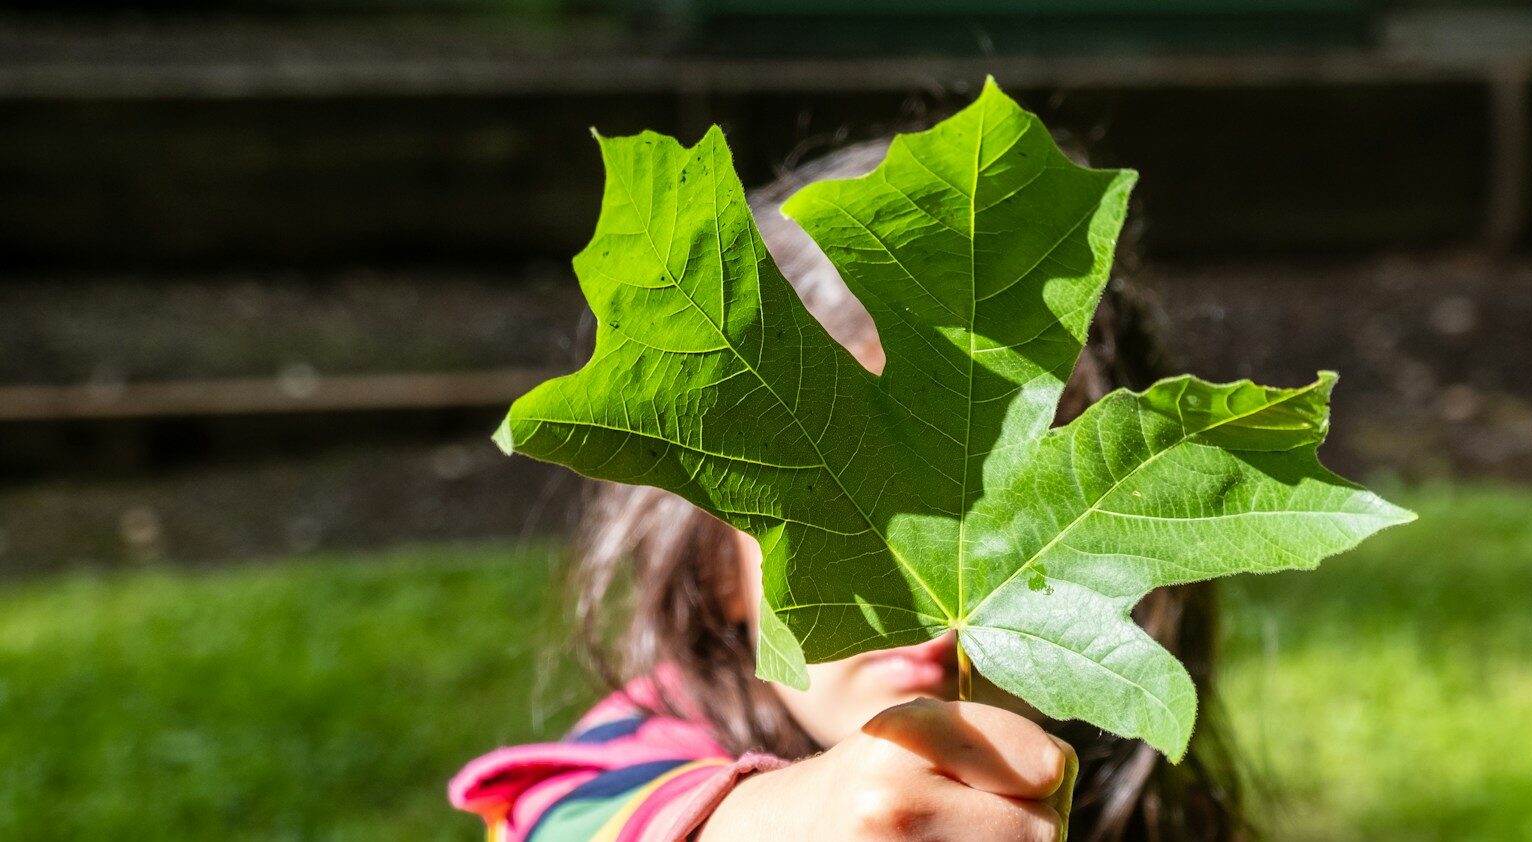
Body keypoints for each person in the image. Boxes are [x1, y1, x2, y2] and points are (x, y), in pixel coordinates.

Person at [451, 140, 1243, 842]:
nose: (921, 564)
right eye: (847, 516)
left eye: (1001, 513)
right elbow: (563, 816)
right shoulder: (647, 747)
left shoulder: (1121, 790)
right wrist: (788, 823)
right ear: (720, 566)